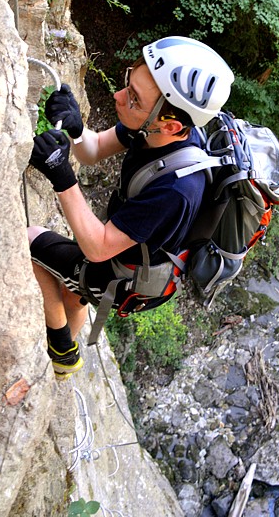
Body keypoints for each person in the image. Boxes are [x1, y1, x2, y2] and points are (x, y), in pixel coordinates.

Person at [28, 36, 234, 380]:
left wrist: (61, 176)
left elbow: (97, 248)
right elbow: (93, 150)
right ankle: (67, 342)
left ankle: (63, 350)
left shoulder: (177, 189)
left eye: (133, 99)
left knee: (29, 239)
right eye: (128, 83)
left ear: (171, 125)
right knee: (72, 288)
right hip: (122, 251)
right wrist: (77, 129)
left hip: (125, 277)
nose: (118, 97)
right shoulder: (151, 127)